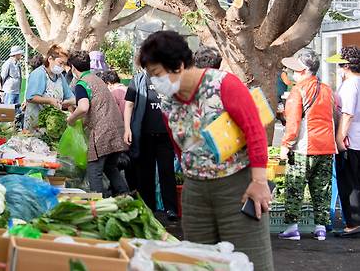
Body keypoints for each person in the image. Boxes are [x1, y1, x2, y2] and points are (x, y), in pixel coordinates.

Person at [138, 31, 273, 271]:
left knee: (251, 260)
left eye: (157, 74)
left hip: (237, 187)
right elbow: (179, 147)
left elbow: (255, 131)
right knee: (200, 262)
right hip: (196, 193)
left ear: (178, 65)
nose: (154, 81)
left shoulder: (223, 84)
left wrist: (259, 181)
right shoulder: (169, 102)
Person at [278, 50, 336, 241]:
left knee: (295, 185)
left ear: (303, 71)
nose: (292, 72)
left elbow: (293, 121)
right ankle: (321, 228)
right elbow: (333, 115)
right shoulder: (327, 89)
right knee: (322, 188)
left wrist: (286, 144)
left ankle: (292, 228)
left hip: (304, 147)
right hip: (327, 146)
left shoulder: (297, 90)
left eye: (295, 69)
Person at [66, 50, 129, 196]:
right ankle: (126, 197)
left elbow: (83, 107)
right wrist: (69, 102)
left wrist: (71, 119)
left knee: (94, 170)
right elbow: (93, 99)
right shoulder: (96, 79)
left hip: (102, 133)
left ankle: (97, 206)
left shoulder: (81, 84)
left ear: (73, 68)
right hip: (116, 130)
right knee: (110, 167)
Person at [123, 62, 178, 220]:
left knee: (167, 172)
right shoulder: (138, 80)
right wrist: (127, 128)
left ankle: (171, 209)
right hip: (144, 134)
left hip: (165, 134)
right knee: (145, 173)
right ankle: (148, 207)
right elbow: (129, 105)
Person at [333, 46, 360, 237]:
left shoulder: (351, 85)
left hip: (351, 140)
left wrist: (339, 138)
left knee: (348, 183)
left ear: (347, 66)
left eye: (341, 65)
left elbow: (348, 113)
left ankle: (353, 223)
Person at [24, 44, 74, 130]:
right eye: (60, 63)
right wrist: (50, 100)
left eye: (64, 64)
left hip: (53, 125)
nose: (62, 67)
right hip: (36, 124)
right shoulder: (39, 74)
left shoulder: (60, 76)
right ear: (50, 59)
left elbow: (70, 96)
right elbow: (30, 97)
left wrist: (73, 114)